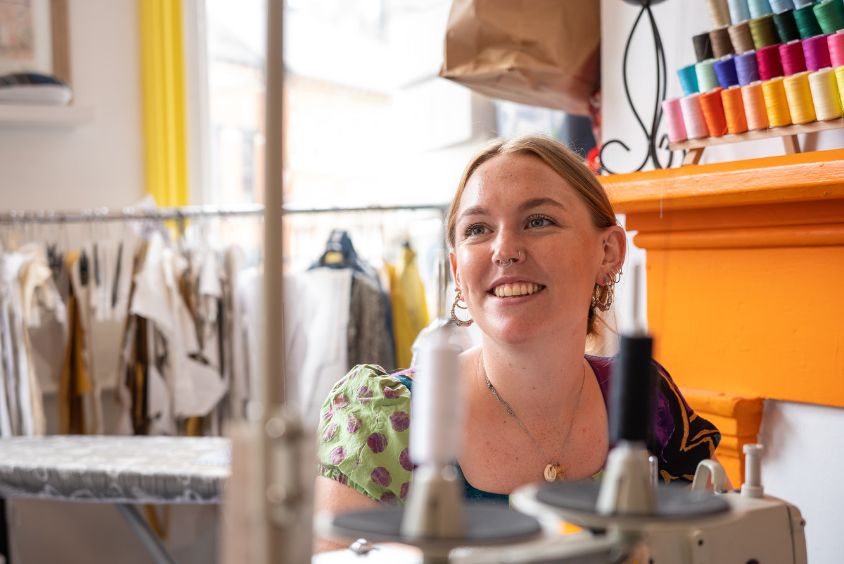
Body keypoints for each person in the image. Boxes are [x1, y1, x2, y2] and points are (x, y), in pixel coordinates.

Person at [313, 135, 721, 543]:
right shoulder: (385, 424)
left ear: (609, 252)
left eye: (539, 220)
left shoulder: (650, 404)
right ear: (457, 269)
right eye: (477, 229)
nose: (504, 249)